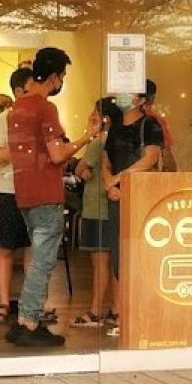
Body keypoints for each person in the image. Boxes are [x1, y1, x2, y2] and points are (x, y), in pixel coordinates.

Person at [8, 47, 100, 347]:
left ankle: (23, 320)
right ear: (54, 77)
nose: (62, 82)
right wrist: (88, 136)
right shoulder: (45, 109)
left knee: (36, 260)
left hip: (24, 191)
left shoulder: (16, 108)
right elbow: (58, 154)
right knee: (43, 262)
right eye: (62, 76)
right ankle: (31, 322)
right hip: (46, 191)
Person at [103, 80, 164, 335]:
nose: (121, 95)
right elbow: (106, 160)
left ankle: (141, 313)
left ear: (140, 99)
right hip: (116, 197)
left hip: (141, 197)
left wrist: (119, 179)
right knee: (119, 256)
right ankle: (123, 313)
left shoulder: (150, 125)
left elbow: (150, 159)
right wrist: (109, 183)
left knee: (139, 254)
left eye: (128, 92)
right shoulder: (115, 127)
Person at [0, 69, 32, 321]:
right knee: (6, 248)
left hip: (35, 189)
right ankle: (4, 303)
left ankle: (32, 303)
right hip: (8, 189)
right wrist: (21, 147)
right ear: (18, 91)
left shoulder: (43, 117)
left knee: (32, 249)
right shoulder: (2, 120)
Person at [73, 97, 122, 328]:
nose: (91, 116)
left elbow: (80, 167)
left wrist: (82, 169)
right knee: (115, 263)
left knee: (100, 262)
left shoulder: (99, 143)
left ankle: (94, 311)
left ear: (105, 118)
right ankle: (117, 309)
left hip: (96, 207)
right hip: (113, 208)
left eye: (95, 112)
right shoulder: (120, 141)